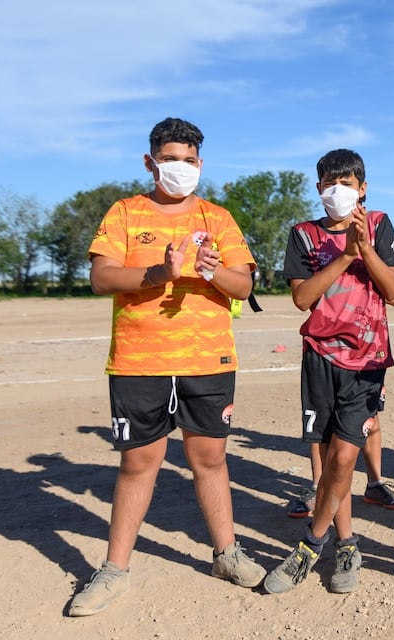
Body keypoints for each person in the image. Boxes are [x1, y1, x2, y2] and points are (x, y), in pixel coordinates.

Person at [69, 117, 265, 617]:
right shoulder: (126, 212)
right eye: (172, 159)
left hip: (208, 359)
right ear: (150, 161)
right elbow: (101, 277)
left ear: (202, 164)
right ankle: (114, 570)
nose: (181, 168)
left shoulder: (217, 217)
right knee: (138, 464)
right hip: (139, 361)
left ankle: (226, 554)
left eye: (190, 160)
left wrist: (212, 270)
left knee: (211, 461)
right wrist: (159, 272)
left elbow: (243, 286)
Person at [265, 148, 394, 596]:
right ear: (318, 187)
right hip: (319, 357)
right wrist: (344, 256)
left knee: (346, 457)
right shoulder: (304, 235)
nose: (336, 191)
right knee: (326, 458)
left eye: (345, 183)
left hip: (366, 360)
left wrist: (363, 246)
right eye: (328, 183)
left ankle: (310, 544)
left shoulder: (379, 224)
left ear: (363, 188)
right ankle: (346, 543)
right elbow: (303, 298)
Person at [287, 392, 394, 518]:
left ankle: (375, 485)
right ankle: (318, 489)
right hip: (326, 372)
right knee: (320, 415)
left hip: (364, 373)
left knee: (370, 413)